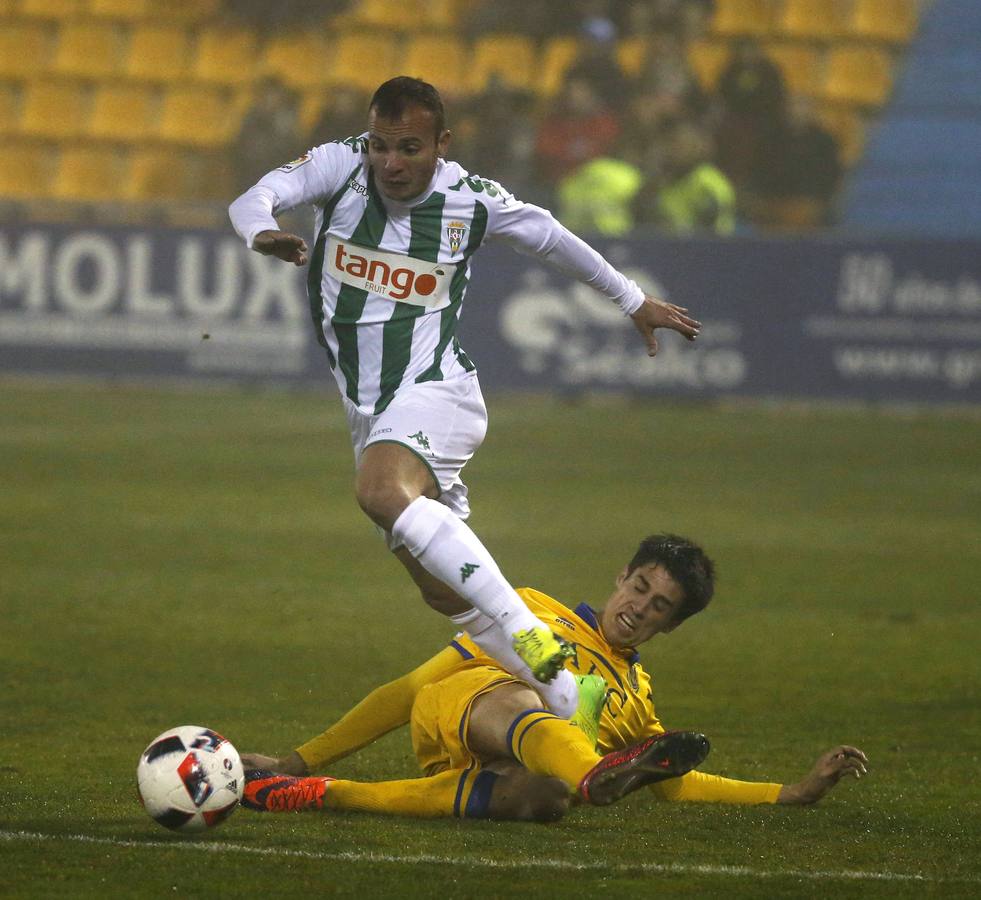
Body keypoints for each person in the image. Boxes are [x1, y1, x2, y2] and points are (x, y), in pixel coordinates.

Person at [228, 77, 702, 720]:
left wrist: (631, 299)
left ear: (441, 144)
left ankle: (529, 627)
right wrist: (262, 231)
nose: (391, 163)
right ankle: (575, 701)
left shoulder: (470, 199)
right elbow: (257, 195)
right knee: (445, 594)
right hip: (369, 411)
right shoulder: (342, 167)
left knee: (378, 492)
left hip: (436, 388)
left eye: (409, 148)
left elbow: (551, 236)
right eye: (381, 146)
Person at [239, 534, 868, 821]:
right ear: (622, 574)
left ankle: (326, 793)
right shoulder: (536, 611)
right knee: (527, 691)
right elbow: (409, 689)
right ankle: (591, 771)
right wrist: (296, 755)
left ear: (668, 627)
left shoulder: (635, 700)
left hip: (504, 768)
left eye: (657, 607)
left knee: (545, 799)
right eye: (639, 587)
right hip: (465, 705)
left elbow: (676, 786)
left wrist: (792, 792)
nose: (636, 608)